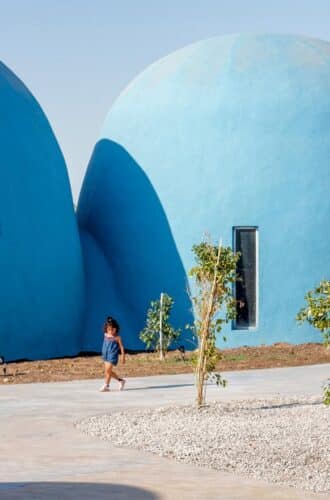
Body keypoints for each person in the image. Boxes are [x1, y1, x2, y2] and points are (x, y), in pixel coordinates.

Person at [100, 316, 126, 392]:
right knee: (108, 371)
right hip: (105, 354)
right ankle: (121, 380)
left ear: (116, 329)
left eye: (112, 329)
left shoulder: (117, 337)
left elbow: (121, 347)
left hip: (112, 355)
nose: (110, 331)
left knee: (108, 370)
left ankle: (106, 385)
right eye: (109, 329)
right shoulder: (105, 334)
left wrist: (123, 356)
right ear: (106, 329)